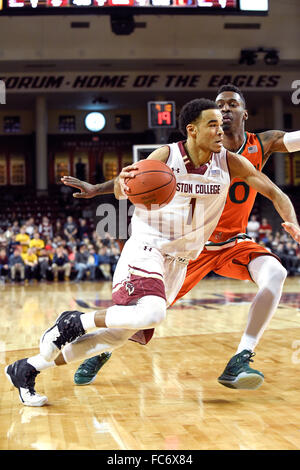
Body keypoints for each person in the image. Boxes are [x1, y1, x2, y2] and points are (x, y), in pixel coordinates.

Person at [5, 97, 300, 407]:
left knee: (117, 337)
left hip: (181, 261)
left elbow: (274, 192)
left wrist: (293, 222)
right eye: (212, 124)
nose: (220, 130)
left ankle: (27, 368)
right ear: (193, 130)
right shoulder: (166, 155)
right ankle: (73, 321)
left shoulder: (230, 162)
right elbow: (122, 187)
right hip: (148, 248)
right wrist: (124, 183)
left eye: (221, 125)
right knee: (153, 313)